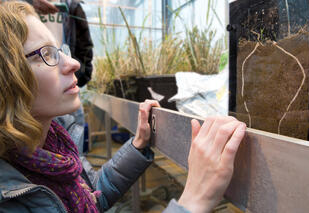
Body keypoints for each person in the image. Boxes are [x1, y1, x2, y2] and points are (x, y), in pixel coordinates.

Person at [0, 2, 246, 213]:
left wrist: (138, 145)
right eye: (46, 54)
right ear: (6, 79)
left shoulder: (55, 145)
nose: (74, 63)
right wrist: (195, 198)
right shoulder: (9, 196)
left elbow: (91, 196)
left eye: (61, 50)